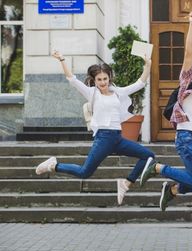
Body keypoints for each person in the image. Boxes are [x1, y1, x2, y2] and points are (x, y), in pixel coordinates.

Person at [35, 51, 154, 205]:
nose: (103, 82)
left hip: (117, 138)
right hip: (103, 138)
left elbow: (140, 83)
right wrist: (62, 60)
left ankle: (126, 183)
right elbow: (72, 79)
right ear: (94, 80)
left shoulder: (118, 92)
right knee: (85, 172)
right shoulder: (92, 93)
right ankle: (53, 165)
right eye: (99, 80)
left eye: (105, 78)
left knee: (148, 156)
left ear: (109, 78)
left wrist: (148, 65)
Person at [137, 10, 192, 211]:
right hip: (186, 136)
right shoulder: (187, 82)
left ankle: (173, 190)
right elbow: (189, 52)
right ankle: (158, 168)